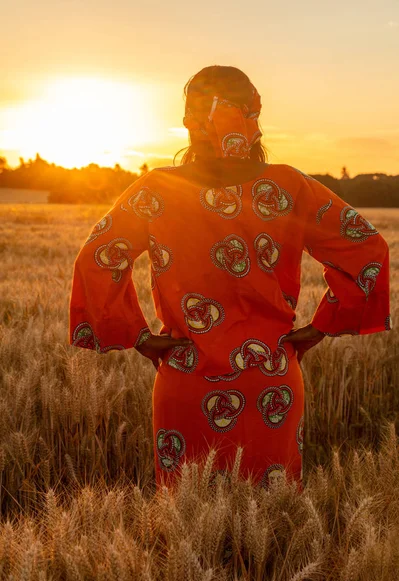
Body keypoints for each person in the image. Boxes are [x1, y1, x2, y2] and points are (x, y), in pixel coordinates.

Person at [69, 65, 392, 493]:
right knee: (272, 532)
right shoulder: (289, 187)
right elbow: (367, 249)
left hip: (186, 377)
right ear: (254, 117)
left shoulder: (158, 191)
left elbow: (97, 257)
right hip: (271, 379)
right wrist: (319, 328)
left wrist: (139, 336)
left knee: (189, 526)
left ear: (191, 121)